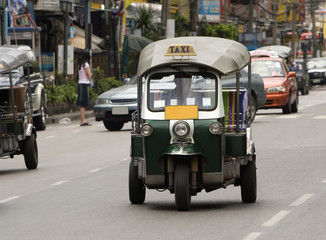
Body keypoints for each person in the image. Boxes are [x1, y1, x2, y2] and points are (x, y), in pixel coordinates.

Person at [77, 51, 92, 126]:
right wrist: (91, 74)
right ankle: (82, 121)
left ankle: (82, 120)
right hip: (84, 84)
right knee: (84, 103)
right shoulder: (86, 64)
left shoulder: (80, 65)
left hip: (80, 83)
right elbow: (89, 75)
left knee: (81, 103)